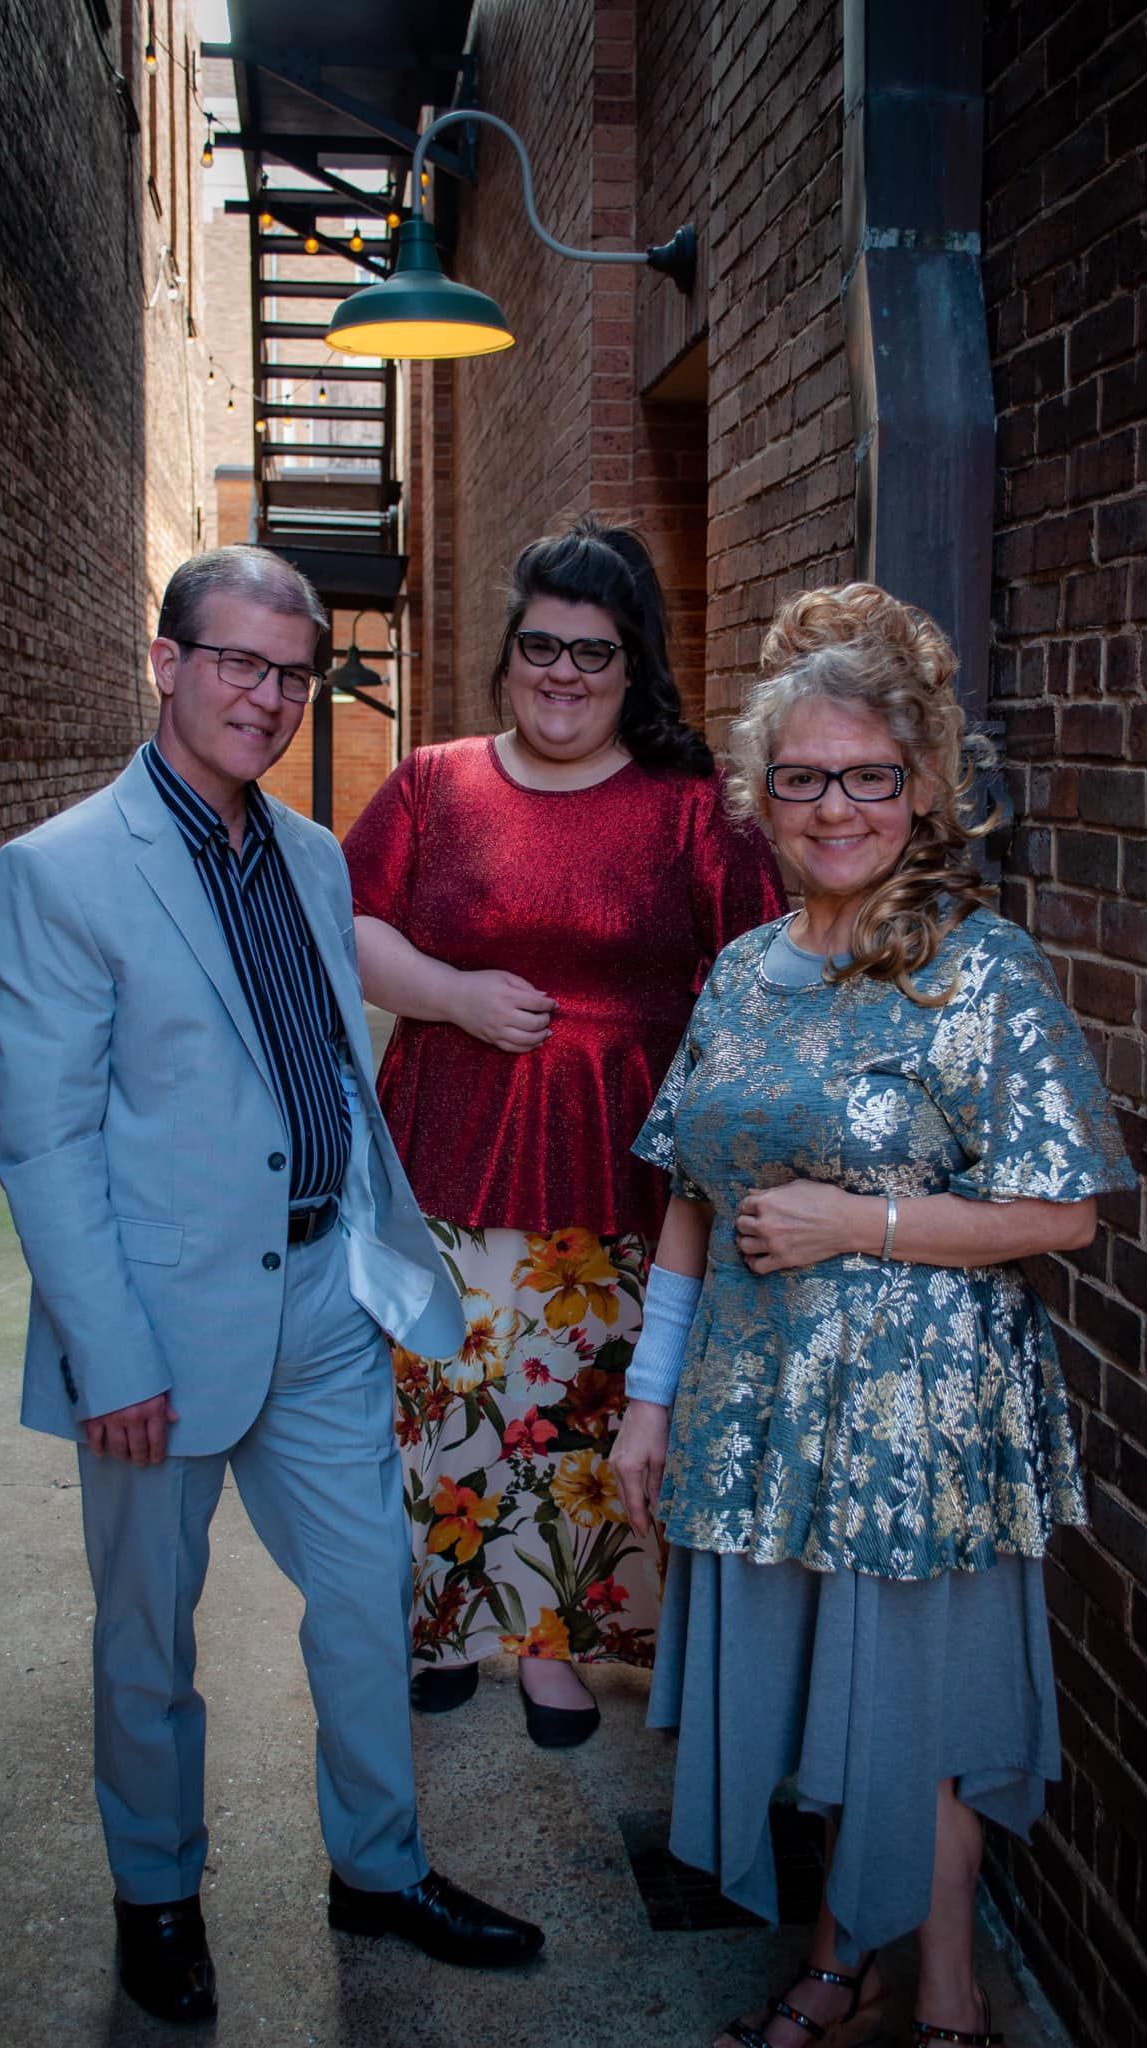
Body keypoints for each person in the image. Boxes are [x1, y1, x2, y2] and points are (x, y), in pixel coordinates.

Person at [0, 546, 544, 2028]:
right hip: (152, 1328)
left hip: (318, 1306)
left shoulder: (305, 854)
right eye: (237, 662)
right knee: (148, 1643)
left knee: (371, 1597)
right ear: (166, 663)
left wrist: (366, 1248)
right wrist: (108, 1358)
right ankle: (155, 1897)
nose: (268, 696)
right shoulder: (60, 871)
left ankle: (377, 1864)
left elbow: (324, 1073)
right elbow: (47, 1142)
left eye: (292, 673)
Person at [612, 583, 1135, 2048]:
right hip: (759, 1397)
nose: (835, 807)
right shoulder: (740, 972)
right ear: (759, 797)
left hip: (926, 1413)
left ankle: (935, 2000)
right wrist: (652, 1394)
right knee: (826, 1714)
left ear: (921, 791)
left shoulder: (983, 973)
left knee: (916, 1713)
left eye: (869, 777)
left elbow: (1066, 1213)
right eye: (804, 778)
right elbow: (694, 1198)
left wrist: (864, 1223)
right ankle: (854, 1971)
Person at [342, 520, 785, 1747]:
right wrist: (451, 992)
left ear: (633, 665)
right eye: (542, 645)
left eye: (594, 652)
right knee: (441, 1393)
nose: (564, 674)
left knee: (582, 1405)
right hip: (448, 1136)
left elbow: (756, 973)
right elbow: (347, 915)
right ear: (511, 650)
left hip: (622, 1159)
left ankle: (553, 1643)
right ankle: (440, 1619)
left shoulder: (692, 808)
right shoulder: (435, 781)